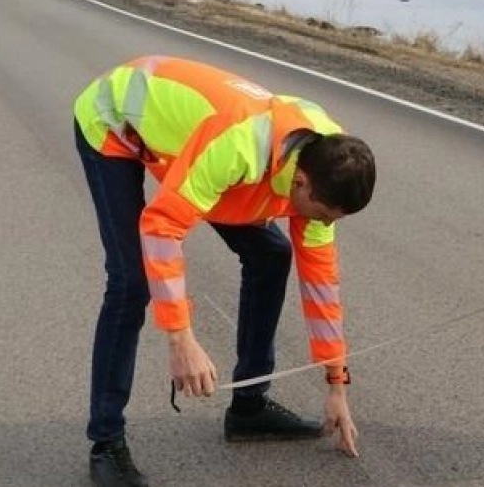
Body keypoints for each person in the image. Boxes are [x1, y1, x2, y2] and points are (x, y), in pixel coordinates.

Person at [74, 55, 377, 487]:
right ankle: (105, 443)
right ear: (302, 183)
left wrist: (336, 384)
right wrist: (182, 340)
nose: (324, 226)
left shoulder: (326, 156)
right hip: (113, 122)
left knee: (271, 255)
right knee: (131, 283)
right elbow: (162, 227)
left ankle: (249, 407)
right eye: (324, 215)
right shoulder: (238, 148)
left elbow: (322, 286)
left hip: (196, 148)